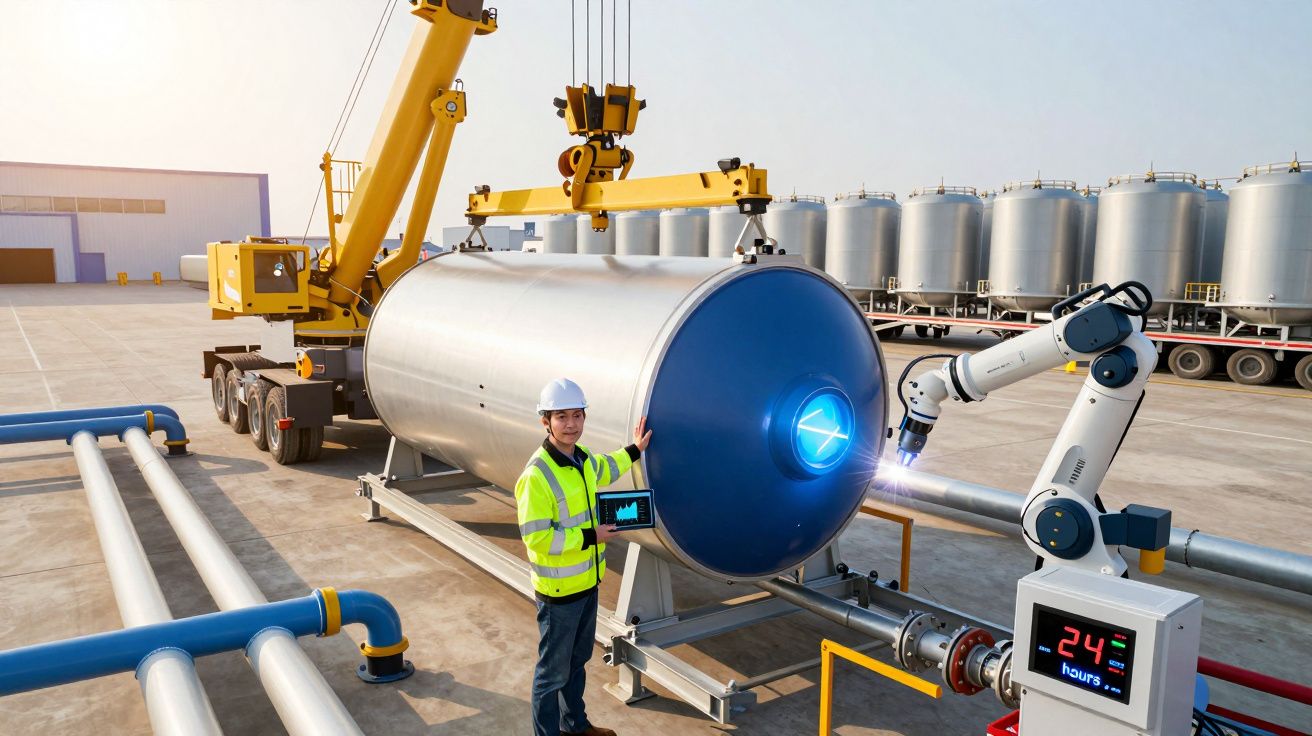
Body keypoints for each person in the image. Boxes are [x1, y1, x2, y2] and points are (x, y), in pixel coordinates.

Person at [515, 378, 652, 736]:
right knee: (551, 674)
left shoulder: (583, 458)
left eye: (577, 415)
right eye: (562, 417)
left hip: (588, 583)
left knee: (576, 664)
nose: (572, 424)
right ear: (545, 421)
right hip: (558, 594)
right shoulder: (537, 475)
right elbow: (537, 537)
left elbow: (607, 467)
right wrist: (592, 536)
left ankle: (576, 727)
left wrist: (635, 450)